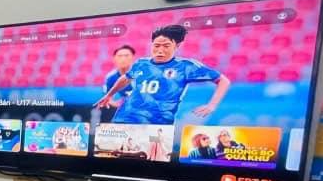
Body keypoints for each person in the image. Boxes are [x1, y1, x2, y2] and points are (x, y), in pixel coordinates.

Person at [93, 24, 231, 125]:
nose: (160, 50)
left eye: (166, 46)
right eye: (156, 45)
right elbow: (126, 78)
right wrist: (109, 95)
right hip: (124, 118)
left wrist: (212, 105)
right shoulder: (141, 63)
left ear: (177, 46)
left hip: (157, 125)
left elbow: (223, 80)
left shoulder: (185, 66)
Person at [99, 45, 137, 122]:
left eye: (126, 56)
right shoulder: (110, 77)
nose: (123, 59)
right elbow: (106, 97)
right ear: (114, 59)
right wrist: (117, 104)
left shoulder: (140, 74)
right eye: (120, 56)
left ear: (133, 57)